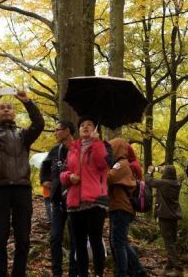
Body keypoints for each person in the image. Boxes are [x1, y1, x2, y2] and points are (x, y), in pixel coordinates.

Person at [0, 87, 45, 277]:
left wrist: (26, 101)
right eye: (2, 107)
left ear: (14, 114)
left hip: (22, 189)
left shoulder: (24, 135)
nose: (6, 109)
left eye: (9, 107)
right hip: (0, 190)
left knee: (23, 238)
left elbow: (39, 123)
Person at [60, 117, 110, 277]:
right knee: (79, 243)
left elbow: (103, 164)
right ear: (79, 130)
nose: (85, 127)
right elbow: (63, 172)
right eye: (82, 125)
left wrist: (97, 143)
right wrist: (69, 177)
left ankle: (98, 274)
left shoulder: (102, 146)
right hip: (75, 202)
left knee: (95, 240)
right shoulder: (73, 148)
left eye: (89, 124)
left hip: (95, 201)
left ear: (95, 129)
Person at [40, 120, 78, 277]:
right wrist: (44, 180)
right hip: (57, 200)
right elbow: (45, 166)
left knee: (76, 239)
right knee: (55, 238)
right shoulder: (55, 149)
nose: (55, 133)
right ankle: (57, 273)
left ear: (67, 130)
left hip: (76, 200)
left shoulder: (79, 148)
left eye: (57, 130)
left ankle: (73, 272)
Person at [108, 138, 146, 277]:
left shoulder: (121, 164)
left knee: (118, 242)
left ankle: (123, 272)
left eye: (110, 149)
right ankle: (138, 271)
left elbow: (108, 178)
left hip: (121, 207)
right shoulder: (122, 164)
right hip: (120, 207)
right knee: (121, 241)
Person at [146, 164, 183, 277]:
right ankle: (169, 267)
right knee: (172, 241)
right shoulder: (176, 183)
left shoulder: (163, 183)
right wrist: (161, 170)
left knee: (169, 243)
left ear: (166, 173)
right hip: (174, 216)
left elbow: (149, 181)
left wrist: (149, 171)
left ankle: (178, 269)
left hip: (165, 216)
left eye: (164, 169)